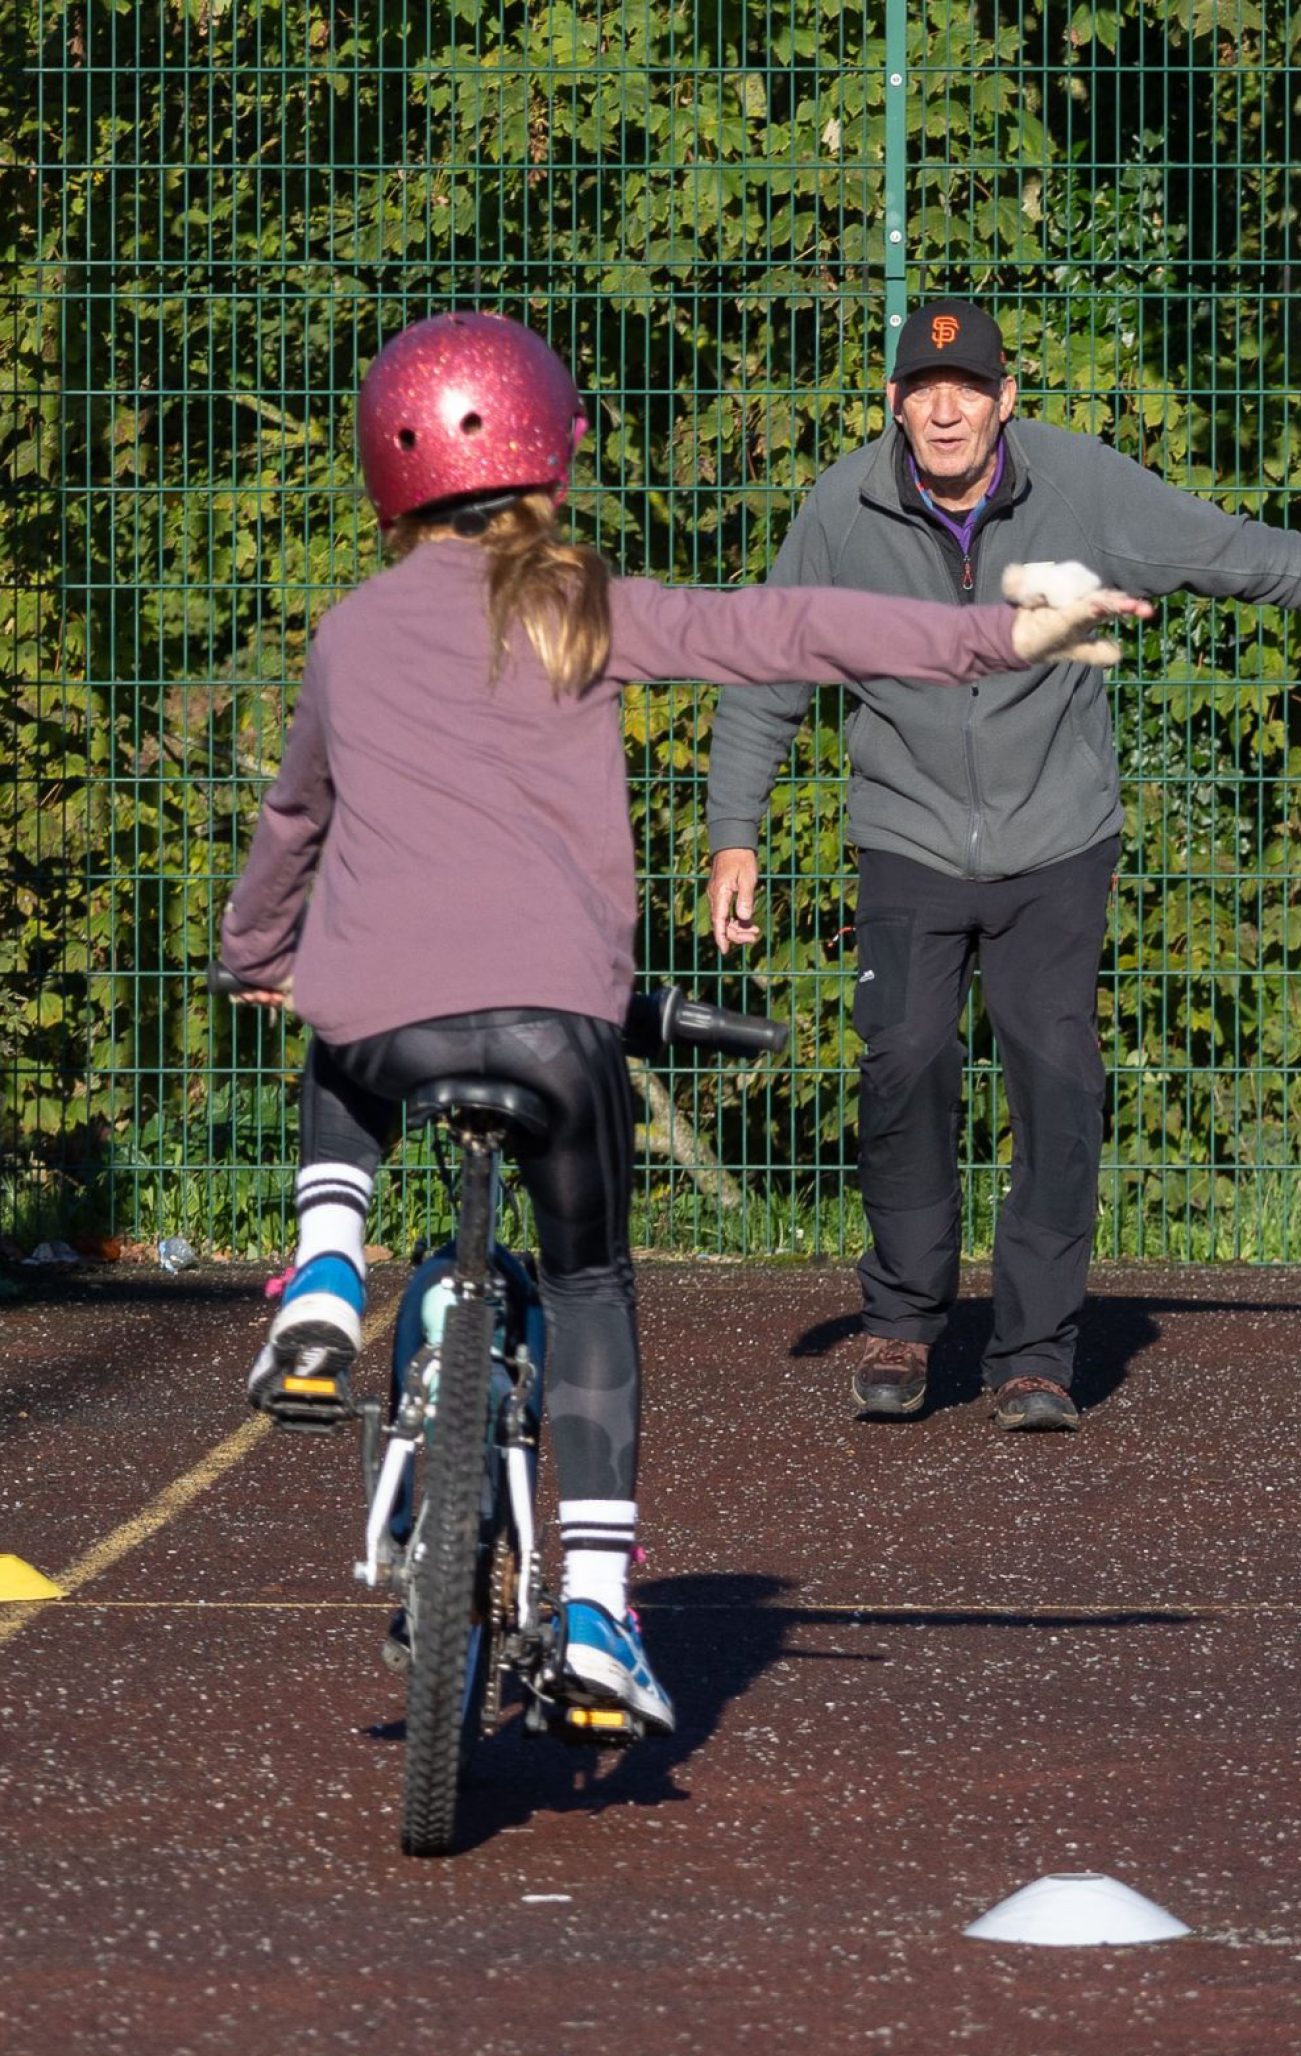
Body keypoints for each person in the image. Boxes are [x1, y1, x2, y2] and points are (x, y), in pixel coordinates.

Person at [219, 308, 1148, 1730]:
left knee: (335, 1005)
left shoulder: (346, 634)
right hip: (558, 1027)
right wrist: (1007, 629)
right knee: (587, 1290)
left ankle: (328, 1262)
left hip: (387, 1027)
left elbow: (294, 824)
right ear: (550, 452)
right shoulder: (576, 597)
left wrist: (253, 954)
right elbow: (787, 627)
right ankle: (595, 1609)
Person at [705, 296, 1301, 1432]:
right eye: (923, 390)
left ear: (1008, 399)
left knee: (1056, 1077)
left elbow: (1238, 553)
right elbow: (765, 670)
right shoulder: (841, 510)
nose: (945, 410)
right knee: (903, 1061)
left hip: (1058, 838)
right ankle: (905, 1324)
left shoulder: (1083, 489)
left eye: (969, 389)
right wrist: (735, 833)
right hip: (905, 836)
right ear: (894, 405)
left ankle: (1034, 1356)